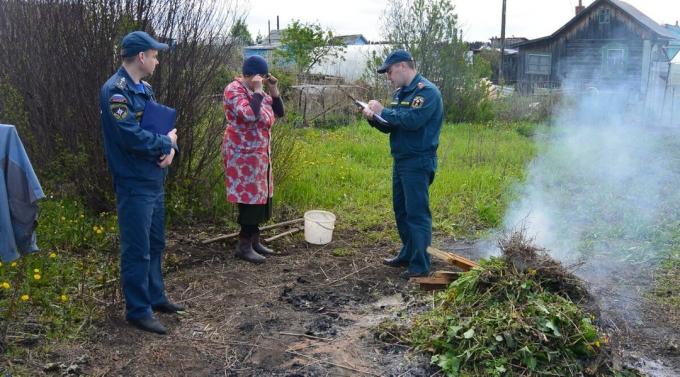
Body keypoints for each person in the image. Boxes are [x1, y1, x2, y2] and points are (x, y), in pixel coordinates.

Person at [99, 31, 183, 335]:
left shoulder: (144, 88)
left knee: (155, 243)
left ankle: (155, 296)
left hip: (154, 178)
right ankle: (138, 310)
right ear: (142, 57)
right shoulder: (116, 92)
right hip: (134, 182)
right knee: (137, 249)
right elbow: (130, 135)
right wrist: (165, 142)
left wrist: (170, 150)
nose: (158, 60)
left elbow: (159, 126)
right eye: (155, 55)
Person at [362, 50, 443, 279]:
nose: (388, 76)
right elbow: (391, 124)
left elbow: (412, 121)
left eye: (389, 71)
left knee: (417, 213)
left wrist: (383, 110)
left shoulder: (427, 92)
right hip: (402, 160)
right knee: (402, 210)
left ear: (401, 66)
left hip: (418, 161)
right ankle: (408, 253)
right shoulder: (401, 94)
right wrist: (373, 119)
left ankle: (421, 264)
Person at [222, 56, 284, 264]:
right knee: (249, 201)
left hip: (259, 155)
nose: (263, 81)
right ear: (250, 74)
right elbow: (249, 114)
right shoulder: (234, 89)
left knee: (260, 199)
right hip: (242, 156)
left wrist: (273, 89)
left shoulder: (257, 91)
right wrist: (257, 91)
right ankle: (244, 245)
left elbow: (279, 112)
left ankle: (255, 241)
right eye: (261, 76)